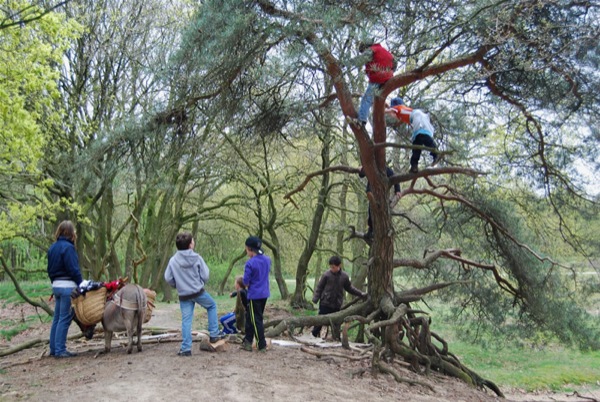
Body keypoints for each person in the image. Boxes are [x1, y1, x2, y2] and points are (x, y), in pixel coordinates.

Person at [164, 232, 225, 356]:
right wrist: (201, 282)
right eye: (193, 241)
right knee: (212, 306)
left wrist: (176, 285)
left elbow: (168, 277)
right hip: (198, 292)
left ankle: (186, 348)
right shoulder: (197, 257)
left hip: (184, 295)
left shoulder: (173, 260)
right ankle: (214, 334)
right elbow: (206, 275)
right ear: (190, 245)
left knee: (186, 320)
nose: (194, 242)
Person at [47, 220, 83, 358]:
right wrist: (81, 285)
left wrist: (54, 283)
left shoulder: (52, 248)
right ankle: (60, 350)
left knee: (57, 318)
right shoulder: (68, 248)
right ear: (71, 233)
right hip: (67, 286)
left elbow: (50, 270)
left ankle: (54, 348)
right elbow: (73, 270)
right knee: (64, 318)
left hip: (56, 286)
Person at [311, 256, 367, 339]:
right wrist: (315, 298)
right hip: (325, 303)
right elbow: (319, 287)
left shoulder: (344, 276)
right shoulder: (326, 275)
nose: (331, 269)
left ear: (339, 266)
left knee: (336, 323)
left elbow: (350, 288)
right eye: (330, 267)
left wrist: (360, 294)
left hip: (336, 304)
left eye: (333, 267)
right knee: (320, 321)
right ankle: (313, 335)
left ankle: (336, 338)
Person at [386, 97, 438, 173]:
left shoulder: (398, 108)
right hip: (418, 118)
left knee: (423, 136)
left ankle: (436, 154)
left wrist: (380, 110)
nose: (391, 115)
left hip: (418, 117)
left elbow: (390, 111)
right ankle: (414, 166)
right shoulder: (401, 111)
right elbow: (392, 113)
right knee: (416, 142)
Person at [241, 236, 271, 353]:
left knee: (256, 319)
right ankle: (247, 341)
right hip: (264, 293)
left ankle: (261, 344)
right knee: (250, 318)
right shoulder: (267, 260)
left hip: (254, 295)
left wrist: (245, 282)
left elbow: (246, 282)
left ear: (249, 249)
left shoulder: (250, 263)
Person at [357, 41, 396, 126]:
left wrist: (343, 64)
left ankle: (361, 120)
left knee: (366, 99)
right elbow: (394, 64)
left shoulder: (372, 50)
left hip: (378, 78)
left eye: (363, 51)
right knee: (376, 99)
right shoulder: (385, 51)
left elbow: (359, 60)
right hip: (389, 77)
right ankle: (380, 124)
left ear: (365, 48)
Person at [358, 165, 401, 239]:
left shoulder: (386, 170)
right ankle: (371, 231)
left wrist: (397, 190)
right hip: (372, 194)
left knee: (380, 212)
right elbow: (361, 175)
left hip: (381, 196)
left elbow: (395, 178)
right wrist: (360, 169)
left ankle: (376, 231)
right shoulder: (371, 167)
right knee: (370, 212)